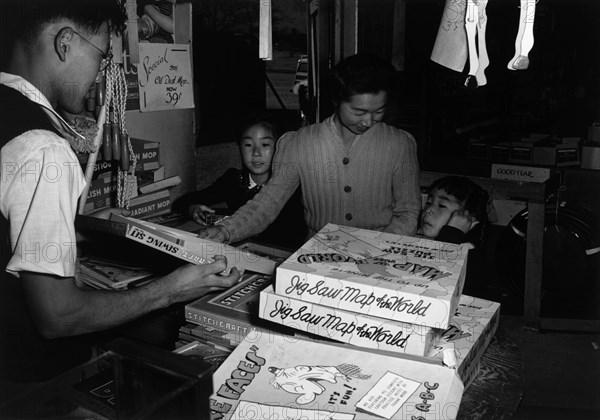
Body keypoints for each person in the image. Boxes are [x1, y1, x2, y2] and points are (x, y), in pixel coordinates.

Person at [0, 0, 240, 387]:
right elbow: (59, 317)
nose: (100, 75)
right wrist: (172, 289)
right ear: (65, 43)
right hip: (26, 382)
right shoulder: (42, 149)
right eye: (101, 58)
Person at [198, 53, 421, 244]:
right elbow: (267, 203)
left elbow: (407, 212)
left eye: (379, 111)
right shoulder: (299, 143)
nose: (368, 121)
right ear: (337, 100)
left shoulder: (399, 144)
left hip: (379, 258)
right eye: (359, 112)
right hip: (316, 260)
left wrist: (378, 249)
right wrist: (226, 230)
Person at [172, 117, 307, 249]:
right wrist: (193, 209)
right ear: (239, 148)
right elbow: (182, 202)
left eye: (265, 145)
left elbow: (292, 234)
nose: (256, 153)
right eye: (248, 145)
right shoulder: (234, 180)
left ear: (279, 148)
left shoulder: (290, 186)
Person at [418, 175, 490, 297]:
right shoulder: (420, 241)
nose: (428, 210)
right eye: (428, 203)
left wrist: (452, 234)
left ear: (467, 218)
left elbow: (435, 281)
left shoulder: (470, 254)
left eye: (442, 205)